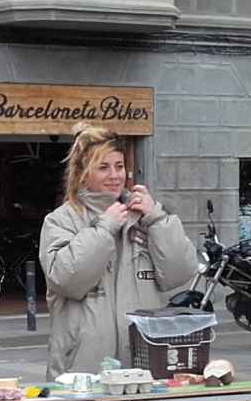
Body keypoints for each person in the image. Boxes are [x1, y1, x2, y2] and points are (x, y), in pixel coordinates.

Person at [39, 125, 198, 380]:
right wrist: (104, 230)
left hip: (143, 369)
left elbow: (180, 274)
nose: (115, 175)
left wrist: (157, 218)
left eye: (119, 166)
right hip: (82, 373)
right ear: (82, 173)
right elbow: (65, 280)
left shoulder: (145, 217)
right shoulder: (61, 220)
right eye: (103, 167)